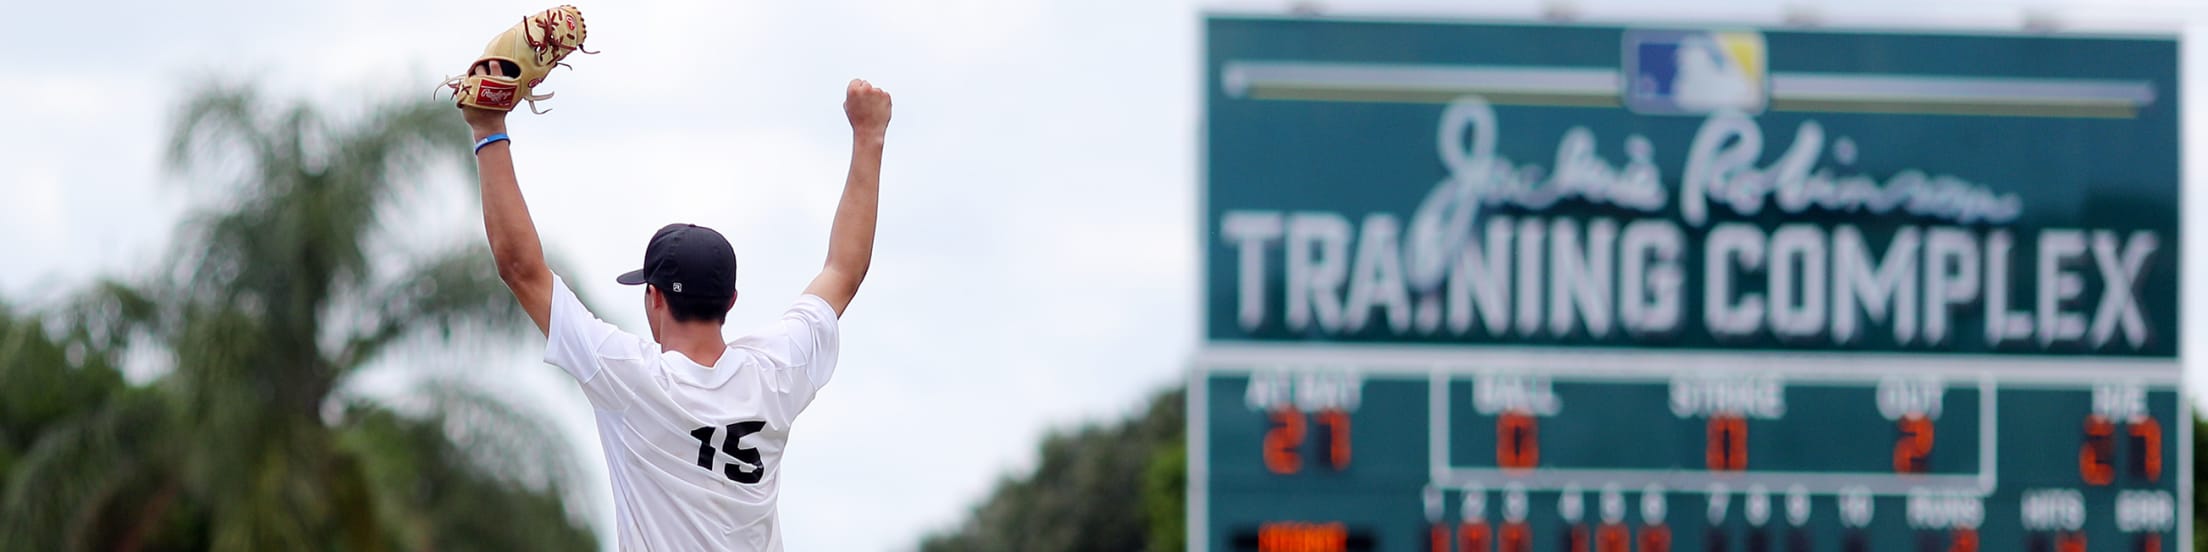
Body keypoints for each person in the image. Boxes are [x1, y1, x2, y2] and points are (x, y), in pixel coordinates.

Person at [462, 77, 891, 550]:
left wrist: (488, 126)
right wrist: (868, 136)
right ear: (730, 301)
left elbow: (521, 269)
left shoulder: (632, 378)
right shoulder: (776, 374)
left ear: (655, 298)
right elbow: (843, 270)